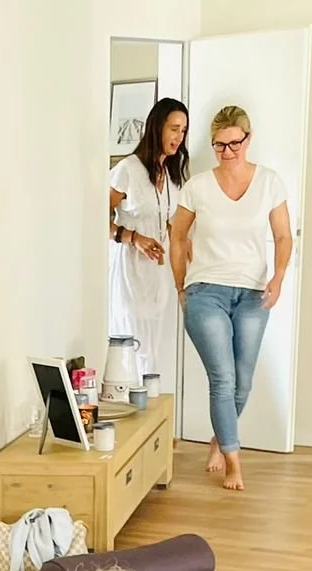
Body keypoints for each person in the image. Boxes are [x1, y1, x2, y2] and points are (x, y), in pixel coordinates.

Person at [170, 104, 294, 491]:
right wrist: (180, 286)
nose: (227, 152)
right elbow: (177, 236)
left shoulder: (270, 181)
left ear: (248, 139)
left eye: (234, 144)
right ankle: (234, 463)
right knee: (222, 380)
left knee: (242, 383)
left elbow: (284, 235)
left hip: (253, 292)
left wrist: (278, 276)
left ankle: (218, 440)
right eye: (219, 146)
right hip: (206, 291)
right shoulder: (197, 187)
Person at [110, 97, 190, 397]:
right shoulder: (127, 170)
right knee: (132, 345)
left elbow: (173, 226)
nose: (178, 137)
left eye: (183, 131)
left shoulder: (171, 175)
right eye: (173, 129)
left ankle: (155, 425)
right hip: (130, 271)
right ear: (157, 128)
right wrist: (132, 237)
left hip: (159, 276)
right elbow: (97, 218)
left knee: (157, 347)